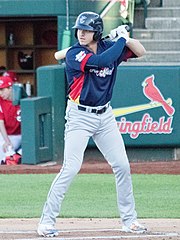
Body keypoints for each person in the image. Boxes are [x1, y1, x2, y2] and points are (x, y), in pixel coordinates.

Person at [37, 11, 147, 237]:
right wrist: (120, 40)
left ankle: (129, 220)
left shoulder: (109, 47)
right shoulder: (75, 53)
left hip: (105, 116)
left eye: (86, 30)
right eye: (80, 30)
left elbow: (141, 51)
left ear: (96, 32)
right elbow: (100, 62)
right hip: (80, 116)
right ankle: (46, 221)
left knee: (122, 166)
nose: (81, 34)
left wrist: (125, 38)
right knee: (71, 167)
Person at [0, 76, 21, 164]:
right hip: (9, 135)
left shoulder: (22, 99)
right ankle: (10, 158)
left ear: (10, 88)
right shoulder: (1, 102)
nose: (0, 93)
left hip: (22, 135)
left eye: (2, 90)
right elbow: (0, 123)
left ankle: (17, 156)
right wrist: (7, 141)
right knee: (4, 150)